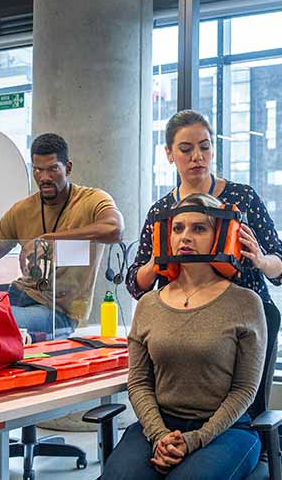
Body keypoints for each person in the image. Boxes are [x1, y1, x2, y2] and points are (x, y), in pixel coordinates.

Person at [104, 193, 267, 480]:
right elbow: (139, 382)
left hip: (226, 429)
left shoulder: (245, 302)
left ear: (219, 235)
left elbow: (244, 390)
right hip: (158, 425)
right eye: (178, 228)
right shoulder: (149, 304)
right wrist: (159, 435)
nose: (185, 237)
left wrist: (196, 439)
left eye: (199, 228)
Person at [0, 132, 123, 339]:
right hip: (20, 293)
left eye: (52, 169)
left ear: (67, 168)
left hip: (58, 312)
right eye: (38, 170)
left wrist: (48, 240)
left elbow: (114, 229)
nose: (44, 177)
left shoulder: (92, 200)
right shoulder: (21, 211)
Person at [127, 109, 282, 306]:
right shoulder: (160, 211)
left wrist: (262, 260)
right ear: (169, 154)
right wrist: (155, 262)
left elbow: (281, 267)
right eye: (186, 149)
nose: (197, 156)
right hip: (183, 316)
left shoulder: (243, 198)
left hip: (247, 315)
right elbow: (135, 286)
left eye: (204, 147)